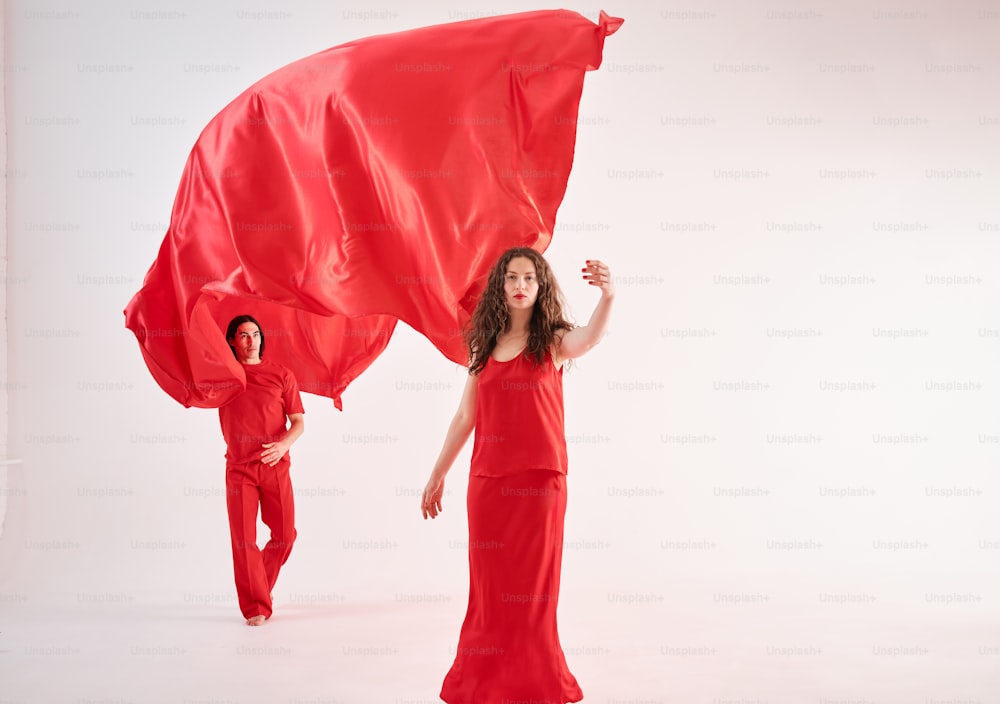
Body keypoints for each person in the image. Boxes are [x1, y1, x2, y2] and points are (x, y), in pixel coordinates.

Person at [421, 248, 614, 703]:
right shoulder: (483, 346)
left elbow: (590, 338)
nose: (520, 285)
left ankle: (536, 682)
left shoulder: (553, 341)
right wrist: (438, 473)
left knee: (533, 592)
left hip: (541, 484)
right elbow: (466, 414)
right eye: (512, 278)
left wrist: (608, 295)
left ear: (541, 285)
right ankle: (486, 681)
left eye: (529, 277)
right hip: (487, 484)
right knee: (490, 589)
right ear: (501, 286)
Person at [218, 315, 305, 626]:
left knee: (285, 535)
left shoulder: (282, 375)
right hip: (239, 469)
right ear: (231, 340)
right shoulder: (224, 375)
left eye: (255, 334)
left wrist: (283, 446)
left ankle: (259, 588)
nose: (251, 340)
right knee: (244, 540)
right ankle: (256, 606)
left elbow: (298, 423)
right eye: (243, 335)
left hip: (274, 465)